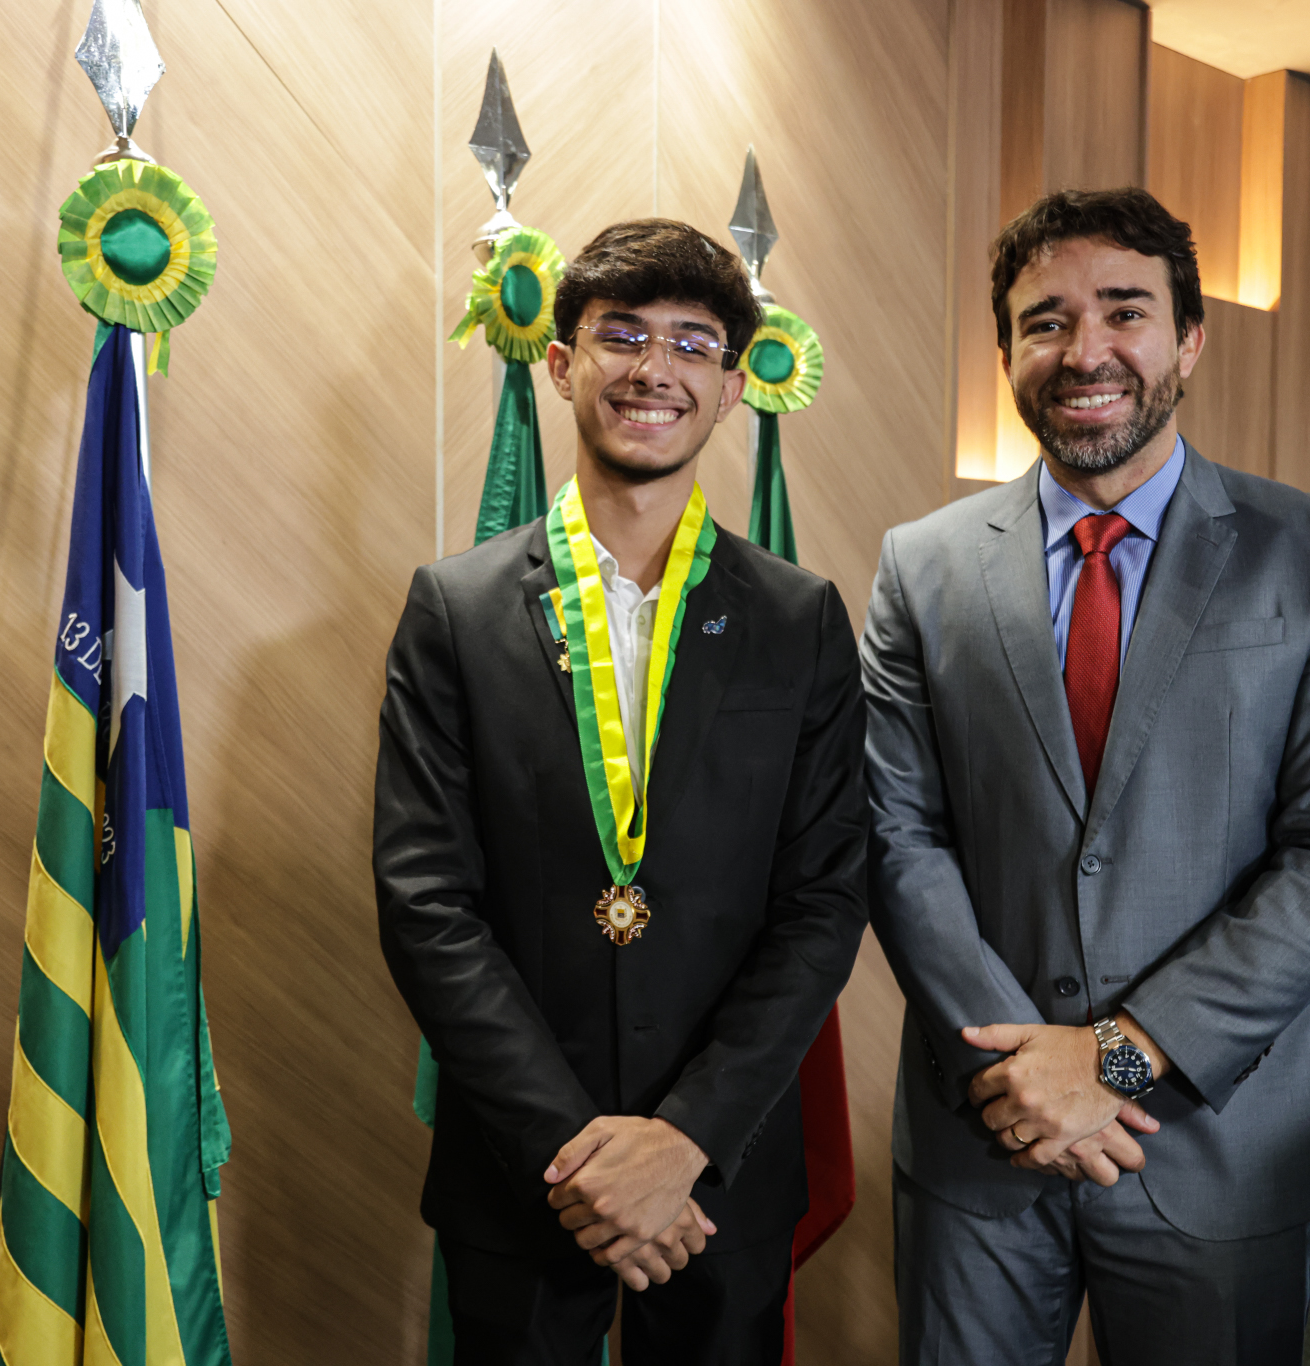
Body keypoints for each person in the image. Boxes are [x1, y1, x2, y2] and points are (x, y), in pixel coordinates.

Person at [861, 187, 1310, 1364]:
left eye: (1125, 311)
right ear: (1004, 349)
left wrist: (1114, 1061)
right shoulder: (921, 568)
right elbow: (896, 837)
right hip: (984, 1134)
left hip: (1221, 1133)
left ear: (1187, 339)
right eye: (1046, 320)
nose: (1086, 351)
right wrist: (1021, 1075)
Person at [375, 217, 868, 1365]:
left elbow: (821, 904)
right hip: (520, 1170)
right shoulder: (453, 611)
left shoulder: (799, 619)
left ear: (733, 386)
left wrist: (681, 1141)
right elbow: (424, 902)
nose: (656, 370)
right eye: (622, 336)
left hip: (721, 1173)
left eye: (694, 344)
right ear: (560, 365)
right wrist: (578, 1155)